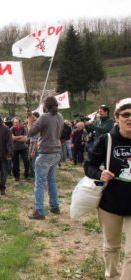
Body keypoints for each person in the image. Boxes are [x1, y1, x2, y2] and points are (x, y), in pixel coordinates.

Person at [84, 98, 131, 280]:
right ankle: (112, 276)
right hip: (111, 204)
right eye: (126, 115)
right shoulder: (107, 139)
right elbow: (89, 166)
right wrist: (99, 174)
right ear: (117, 117)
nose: (130, 119)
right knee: (112, 247)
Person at [27, 96, 64, 220]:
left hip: (45, 153)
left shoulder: (44, 117)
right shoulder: (60, 116)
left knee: (40, 182)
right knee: (51, 180)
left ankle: (39, 211)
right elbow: (49, 126)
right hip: (56, 152)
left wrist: (29, 121)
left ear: (45, 106)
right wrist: (36, 119)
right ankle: (55, 206)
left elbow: (31, 132)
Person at [28, 112, 40, 177]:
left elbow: (36, 140)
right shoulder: (34, 126)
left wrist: (33, 151)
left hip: (35, 146)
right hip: (32, 144)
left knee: (34, 162)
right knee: (32, 160)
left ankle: (36, 176)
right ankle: (32, 173)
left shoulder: (37, 127)